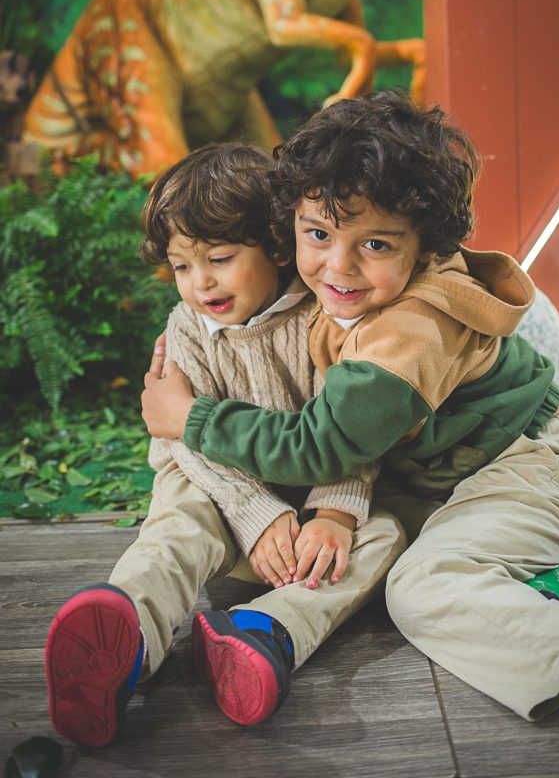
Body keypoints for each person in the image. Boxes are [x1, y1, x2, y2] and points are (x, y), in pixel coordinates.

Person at [142, 91, 559, 746]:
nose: (336, 266)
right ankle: (523, 581)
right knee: (367, 539)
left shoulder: (409, 328)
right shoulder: (337, 297)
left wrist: (191, 418)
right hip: (450, 475)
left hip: (533, 463)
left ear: (425, 247)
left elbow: (324, 447)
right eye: (317, 234)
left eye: (373, 242)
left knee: (421, 588)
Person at [45, 143, 405, 747]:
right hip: (221, 498)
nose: (199, 282)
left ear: (276, 244)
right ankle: (128, 632)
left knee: (387, 534)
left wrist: (335, 514)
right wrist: (255, 515)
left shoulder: (326, 316)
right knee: (178, 520)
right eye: (181, 266)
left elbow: (352, 428)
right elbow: (182, 438)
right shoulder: (185, 330)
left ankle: (268, 631)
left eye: (218, 258)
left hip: (307, 522)